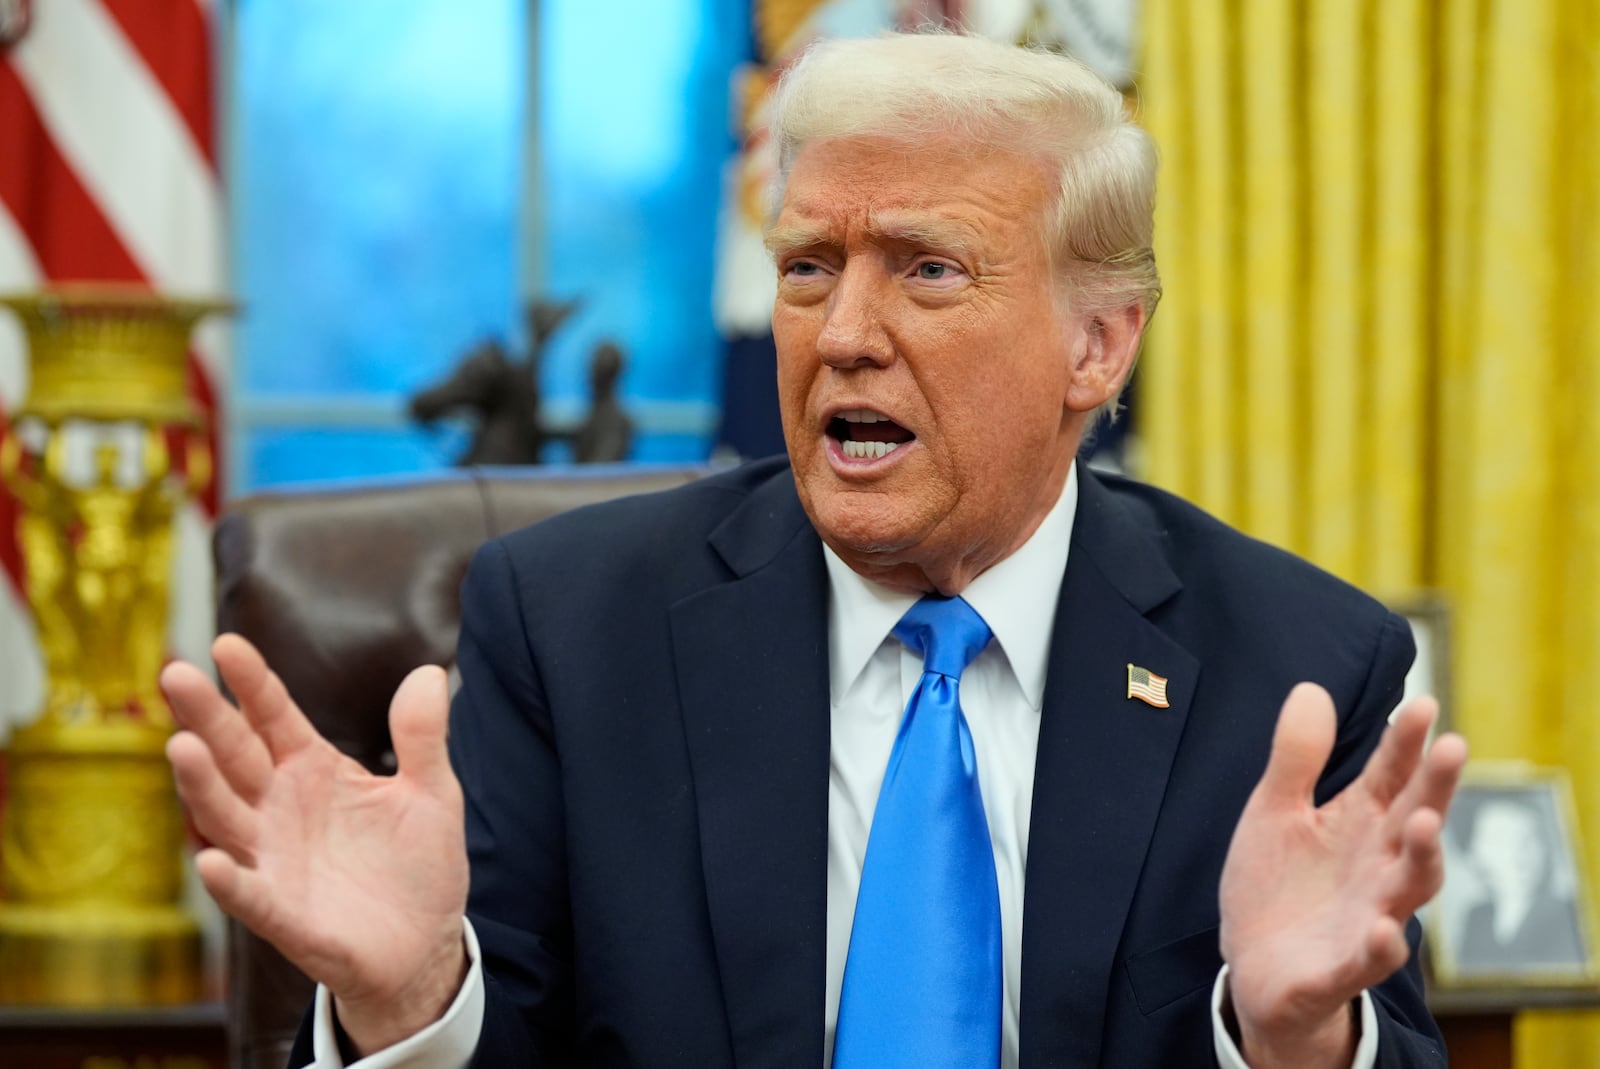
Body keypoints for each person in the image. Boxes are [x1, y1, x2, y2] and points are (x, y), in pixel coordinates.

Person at [161, 32, 1467, 1069]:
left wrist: (1298, 1046)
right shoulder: (571, 630)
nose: (842, 332)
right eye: (807, 266)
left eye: (928, 272)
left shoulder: (1295, 669)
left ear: (1099, 345)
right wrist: (411, 1003)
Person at [1454, 795, 1586, 971]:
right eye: (1502, 842)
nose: (1519, 857)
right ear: (1475, 854)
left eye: (1529, 840)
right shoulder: (1477, 918)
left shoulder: (1570, 916)